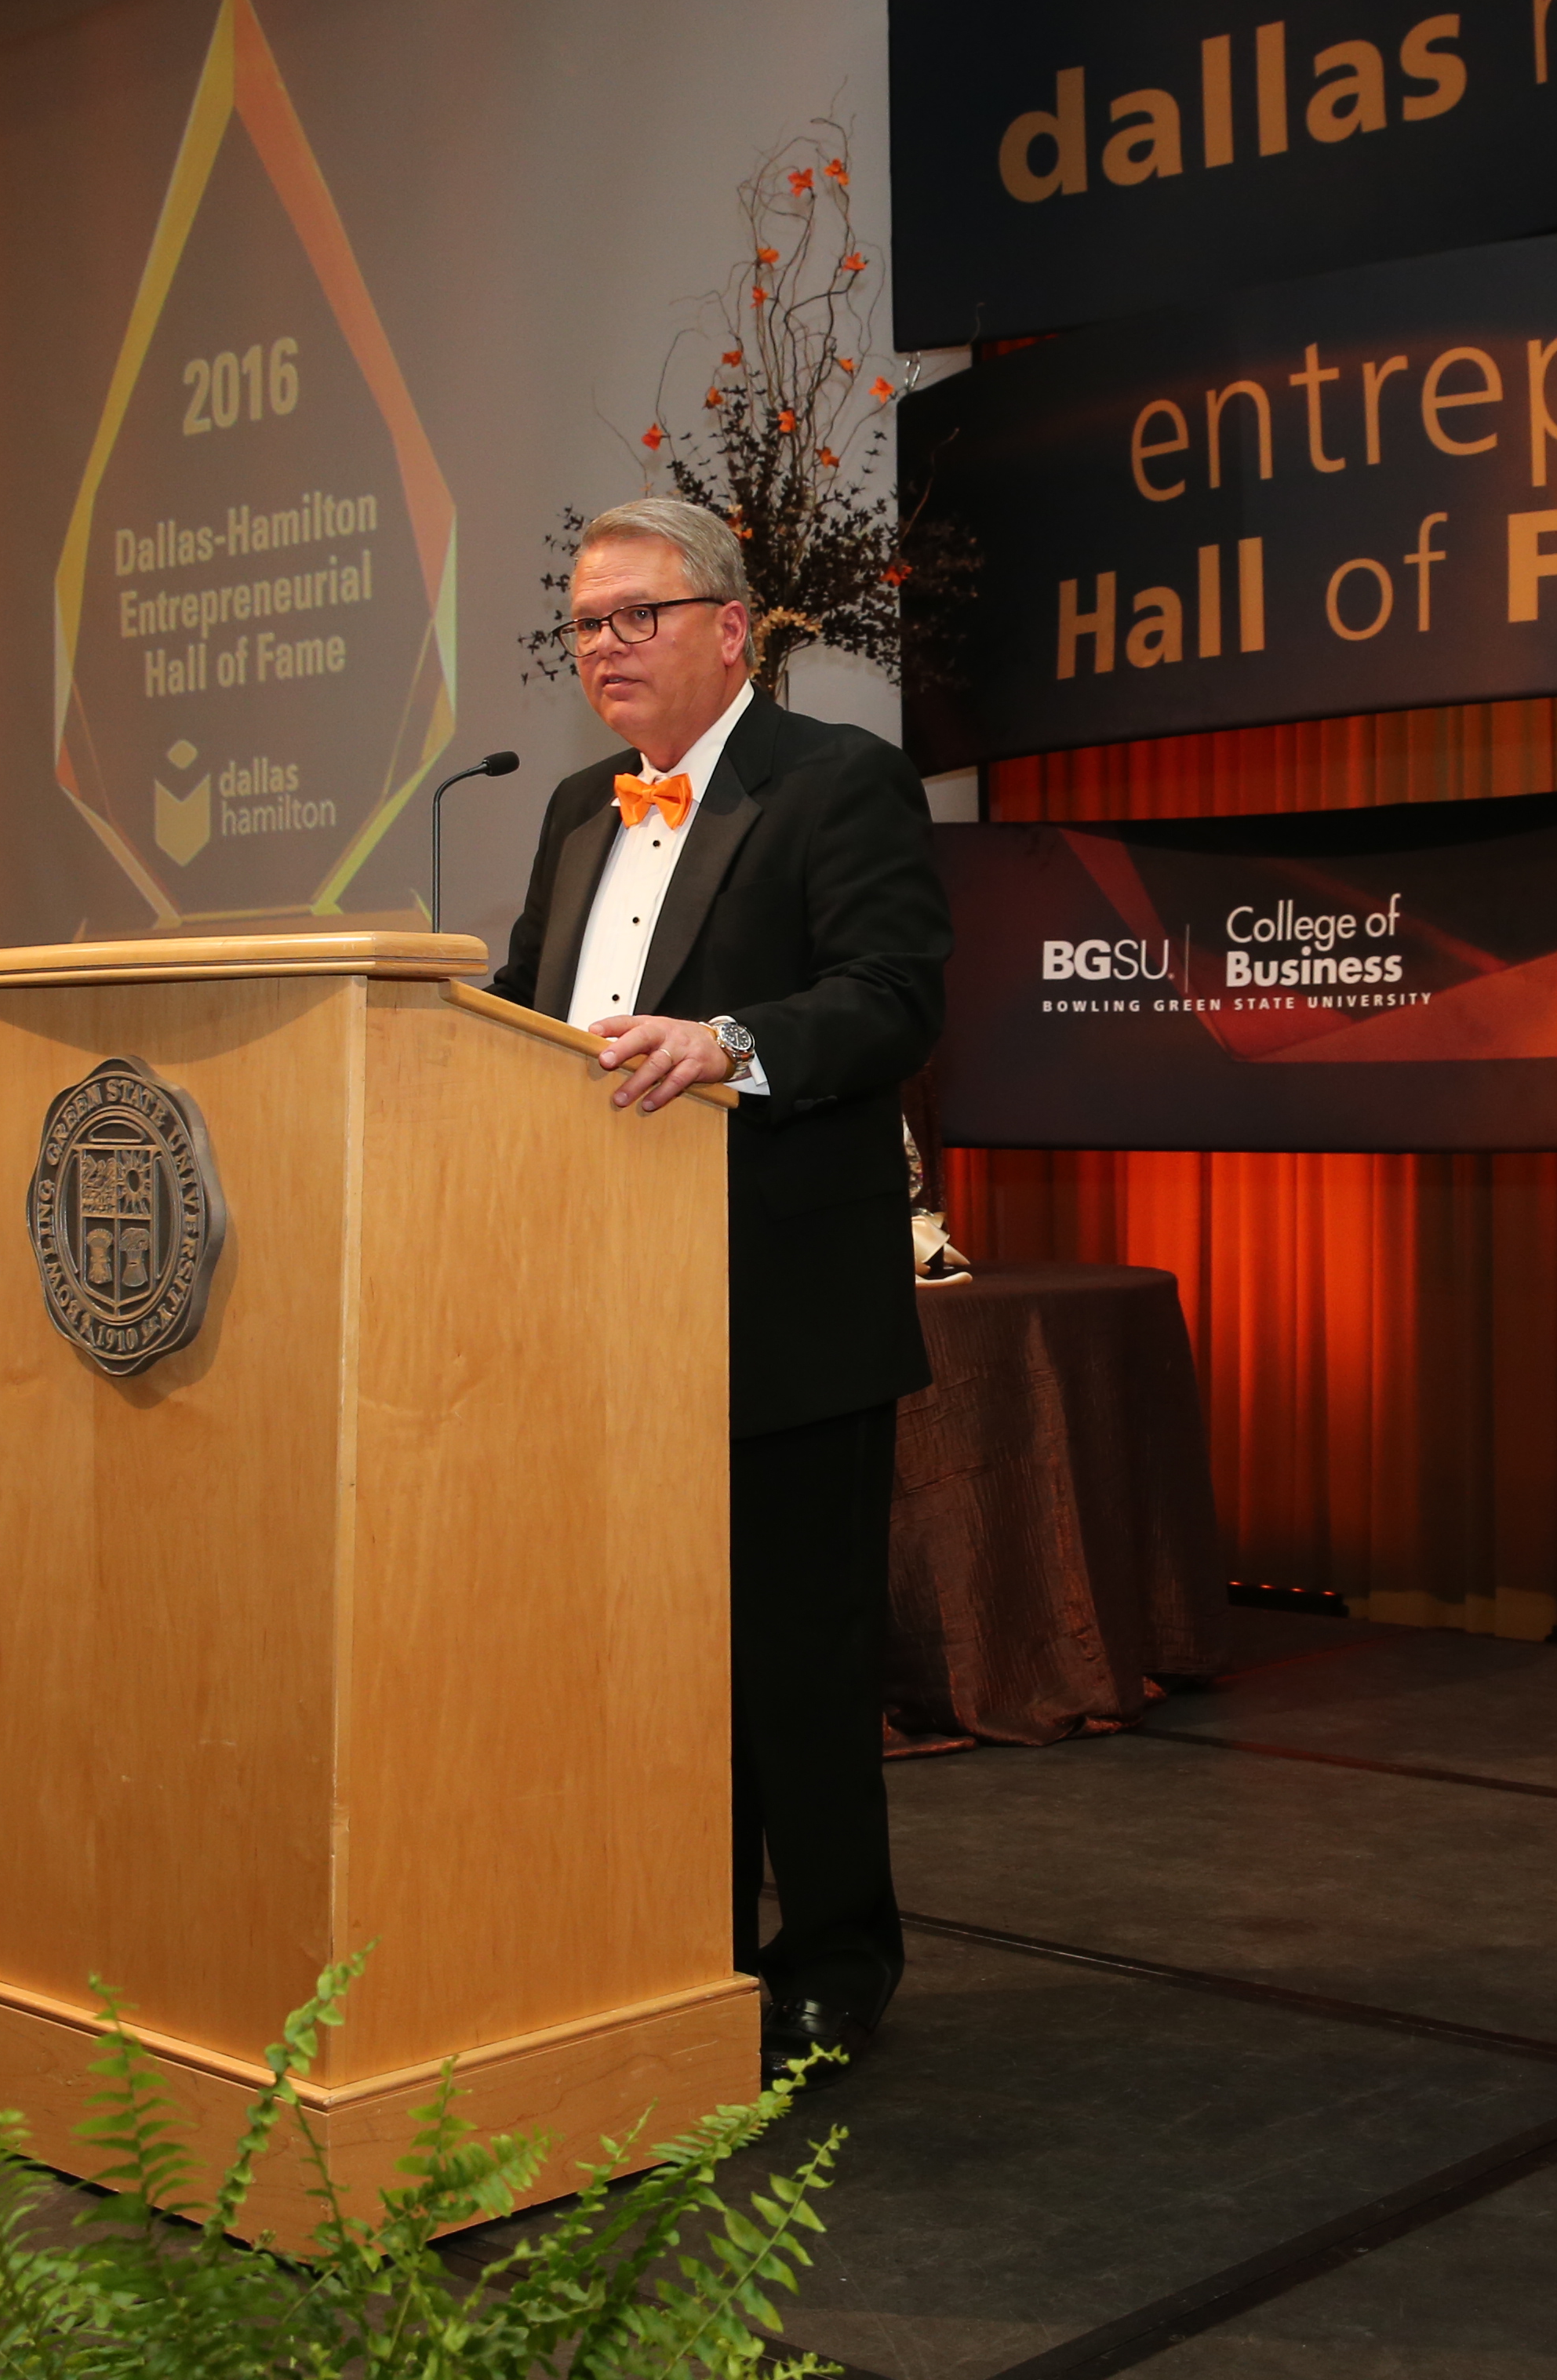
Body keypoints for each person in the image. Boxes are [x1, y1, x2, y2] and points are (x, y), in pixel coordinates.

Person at [491, 494, 948, 2086]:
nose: (604, 645)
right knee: (641, 1654)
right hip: (599, 1317)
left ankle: (833, 1959)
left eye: (638, 614)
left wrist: (729, 1045)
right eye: (585, 623)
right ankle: (677, 1944)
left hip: (780, 1306)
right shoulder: (576, 807)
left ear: (731, 626)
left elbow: (891, 999)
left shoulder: (838, 781)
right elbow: (523, 1013)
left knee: (794, 1658)